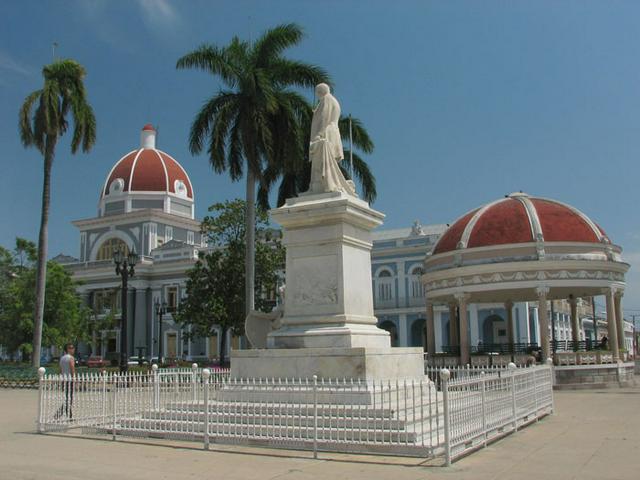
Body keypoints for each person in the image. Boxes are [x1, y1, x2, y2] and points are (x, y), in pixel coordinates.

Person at [55, 343, 75, 420]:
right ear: (68, 349)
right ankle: (61, 414)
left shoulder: (62, 358)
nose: (73, 349)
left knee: (67, 397)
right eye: (71, 348)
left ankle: (68, 414)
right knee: (69, 398)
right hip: (69, 380)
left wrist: (60, 378)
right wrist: (74, 378)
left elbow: (60, 369)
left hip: (64, 379)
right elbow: (72, 368)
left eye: (73, 348)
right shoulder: (71, 358)